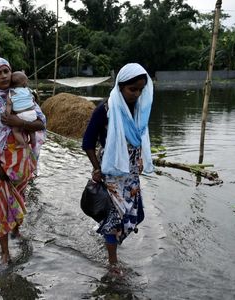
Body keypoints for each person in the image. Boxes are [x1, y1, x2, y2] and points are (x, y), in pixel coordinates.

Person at [82, 63, 154, 272]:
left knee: (135, 215)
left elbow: (138, 138)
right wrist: (97, 169)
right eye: (133, 89)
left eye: (141, 89)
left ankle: (108, 239)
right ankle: (113, 263)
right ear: (120, 86)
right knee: (114, 219)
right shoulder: (104, 110)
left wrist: (139, 158)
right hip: (112, 170)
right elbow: (87, 143)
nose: (137, 94)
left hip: (131, 173)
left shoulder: (140, 109)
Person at [0, 57, 46, 265]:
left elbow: (41, 123)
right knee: (2, 206)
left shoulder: (22, 95)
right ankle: (4, 252)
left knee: (19, 198)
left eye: (6, 71)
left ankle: (16, 231)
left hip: (21, 163)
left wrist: (17, 121)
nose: (4, 76)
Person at [6, 71, 37, 148]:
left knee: (16, 130)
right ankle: (33, 139)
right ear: (24, 83)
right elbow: (33, 99)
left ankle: (22, 143)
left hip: (21, 114)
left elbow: (9, 104)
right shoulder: (28, 90)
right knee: (31, 129)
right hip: (33, 113)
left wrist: (7, 114)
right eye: (26, 81)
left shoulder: (11, 92)